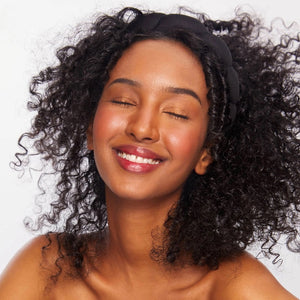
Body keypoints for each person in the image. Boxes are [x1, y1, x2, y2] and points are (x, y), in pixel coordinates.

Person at [0, 6, 299, 299]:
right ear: (90, 128)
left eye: (176, 112)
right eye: (124, 101)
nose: (142, 128)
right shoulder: (46, 269)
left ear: (206, 153)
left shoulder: (239, 290)